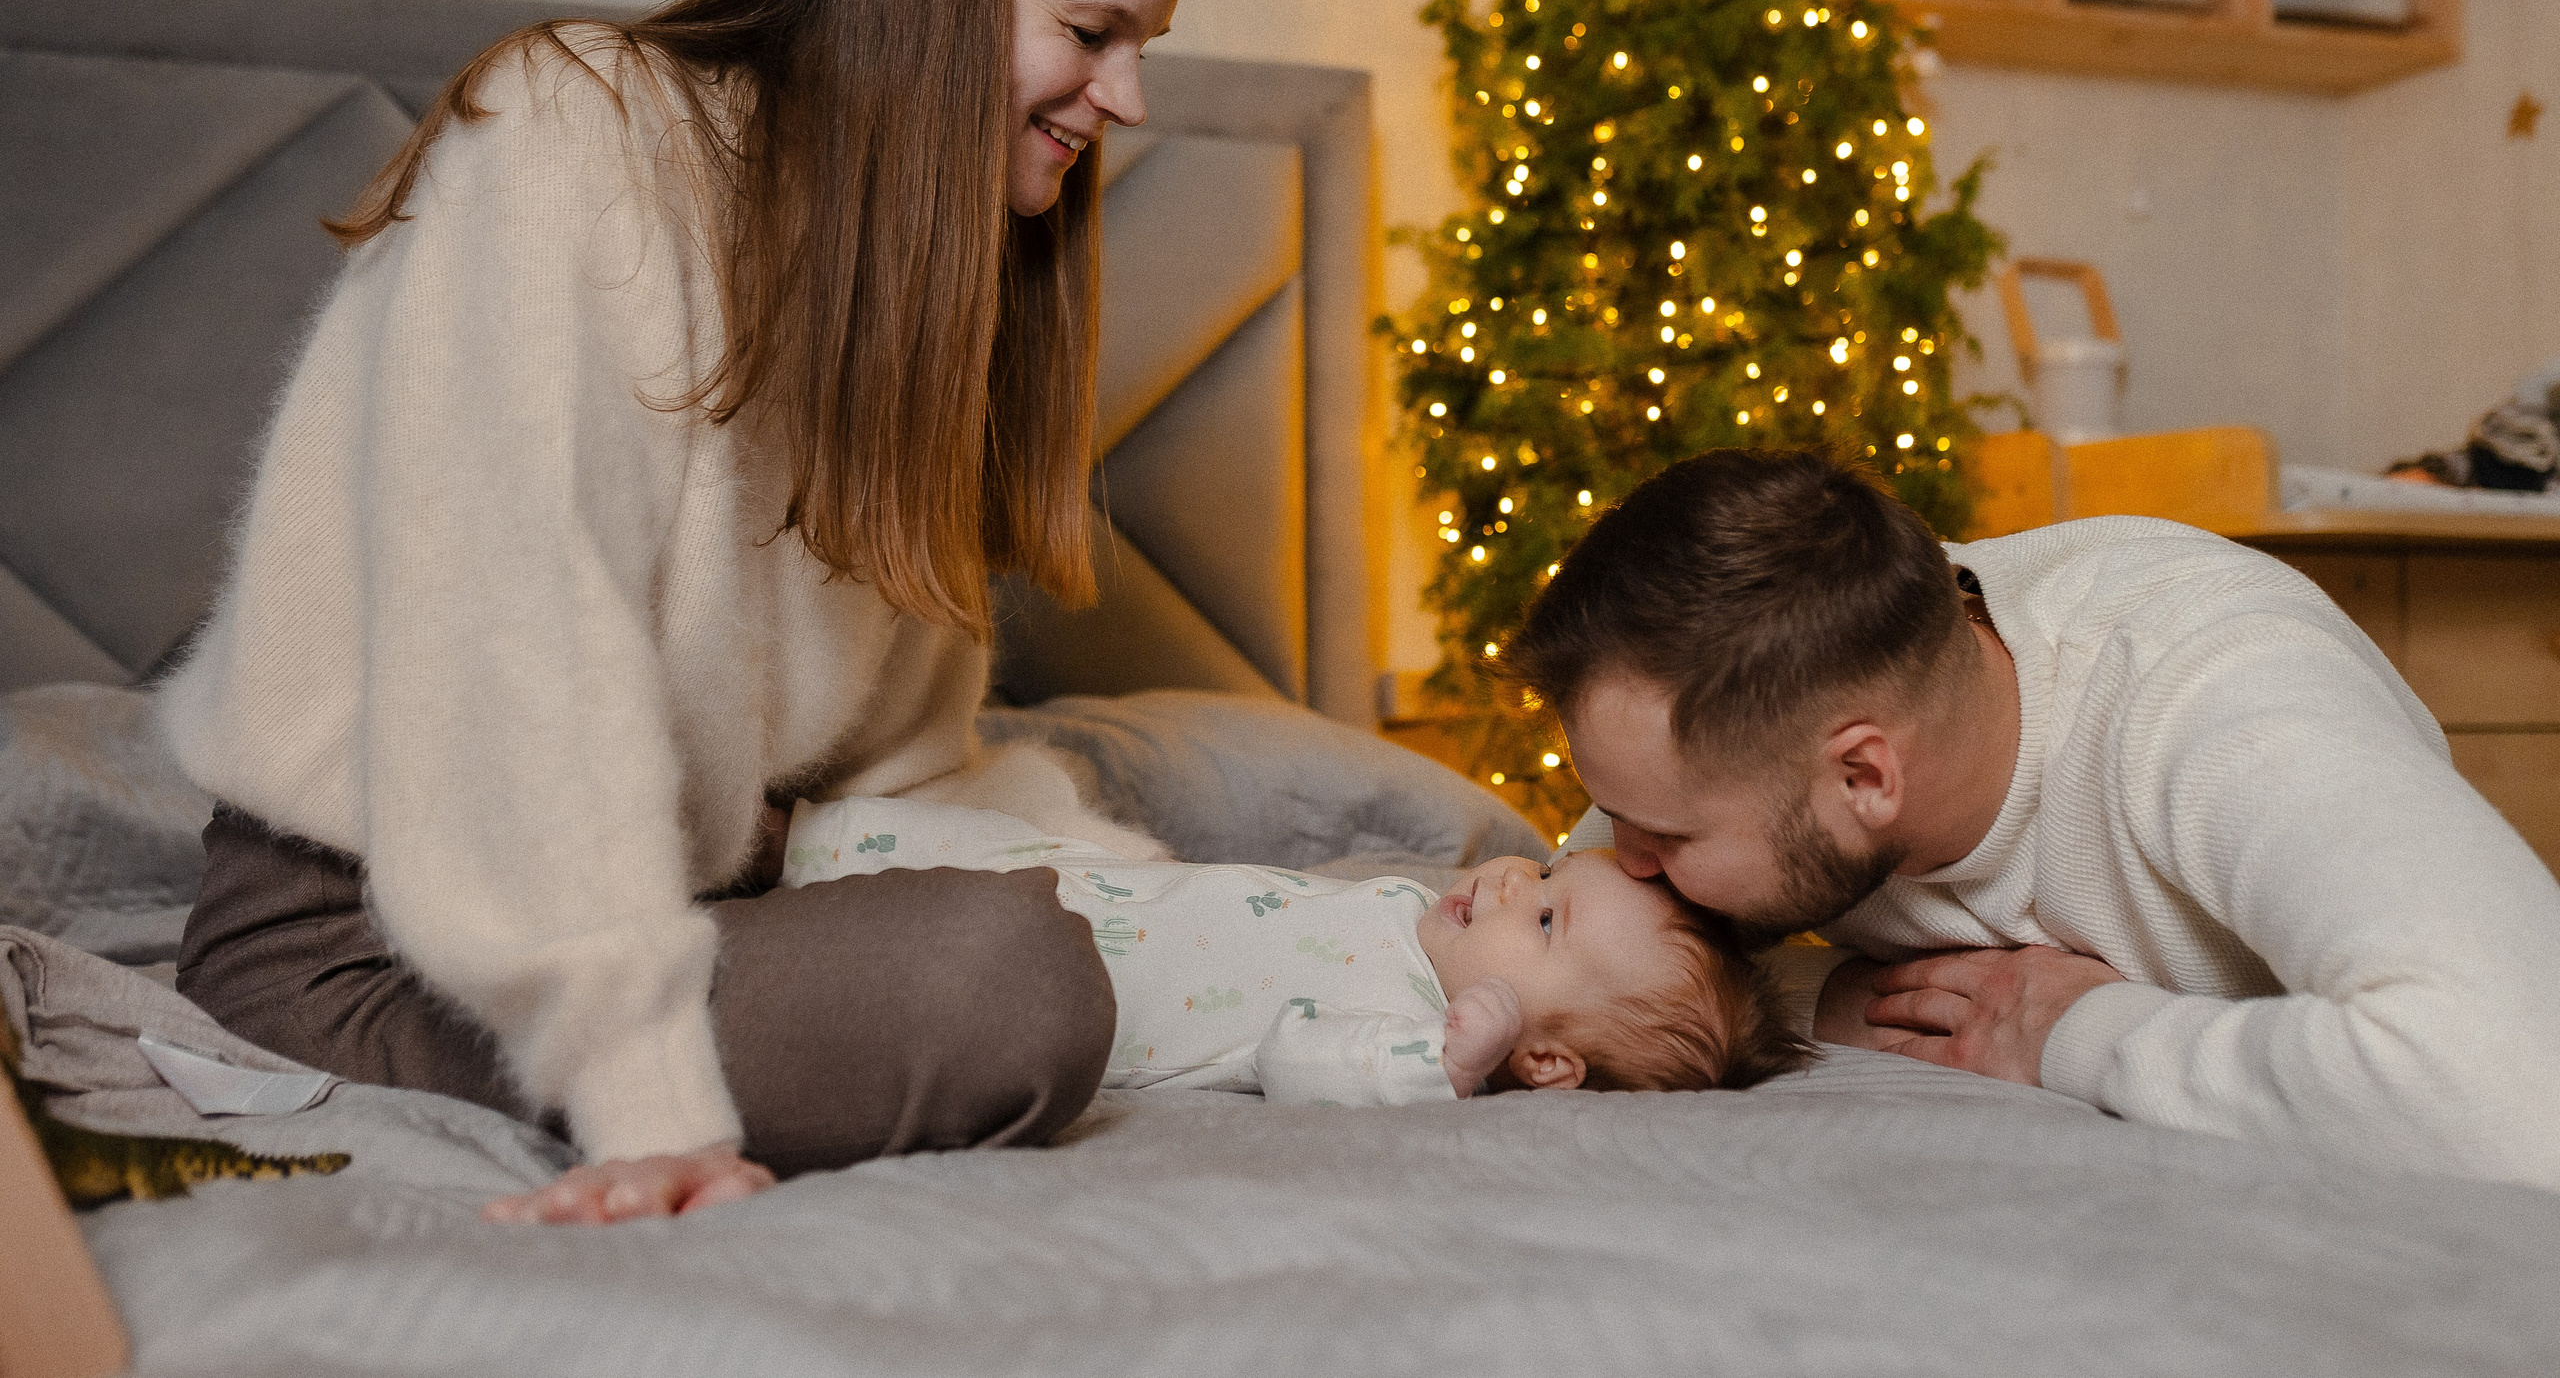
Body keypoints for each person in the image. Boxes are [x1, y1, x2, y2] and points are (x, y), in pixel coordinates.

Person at [160, 0, 1202, 1225]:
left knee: (1043, 934)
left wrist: (1245, 922)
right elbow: (515, 635)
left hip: (695, 906)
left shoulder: (920, 290)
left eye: (1144, 43)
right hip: (378, 938)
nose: (1133, 99)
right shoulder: (572, 131)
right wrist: (642, 1094)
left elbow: (899, 781)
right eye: (1096, 30)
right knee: (1005, 979)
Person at [1510, 448, 2560, 1191]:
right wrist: (1826, 997)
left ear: (1865, 777)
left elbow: (2517, 1098)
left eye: (1667, 838)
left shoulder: (2222, 705)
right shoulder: (1788, 681)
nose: (1621, 865)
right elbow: (1568, 975)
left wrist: (2077, 1032)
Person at [782, 798, 1810, 1101]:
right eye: (1543, 874)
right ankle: (782, 838)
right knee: (890, 834)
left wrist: (1437, 1062)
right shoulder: (1412, 918)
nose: (1509, 878)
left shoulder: (1412, 1030)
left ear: (1540, 1057)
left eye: (1542, 919)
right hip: (1089, 884)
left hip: (1049, 975)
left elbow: (1295, 1056)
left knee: (880, 936)